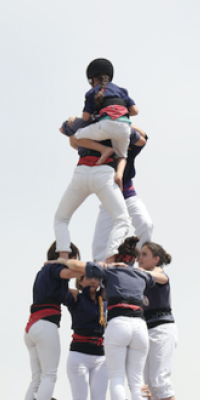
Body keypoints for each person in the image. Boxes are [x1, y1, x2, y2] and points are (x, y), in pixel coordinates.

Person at [56, 236, 166, 400]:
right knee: (137, 378)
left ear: (117, 257)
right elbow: (162, 277)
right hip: (140, 325)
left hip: (119, 322)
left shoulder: (110, 270)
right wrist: (145, 268)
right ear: (133, 258)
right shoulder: (140, 274)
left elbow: (77, 264)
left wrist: (62, 261)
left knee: (117, 377)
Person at [53, 117, 133, 262]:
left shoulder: (80, 122)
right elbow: (141, 138)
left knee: (61, 218)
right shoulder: (116, 125)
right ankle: (110, 259)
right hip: (104, 172)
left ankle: (63, 256)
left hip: (81, 172)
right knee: (122, 220)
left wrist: (72, 124)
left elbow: (63, 130)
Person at [24, 243, 82, 400]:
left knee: (37, 378)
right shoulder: (54, 268)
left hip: (32, 326)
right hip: (45, 325)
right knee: (49, 375)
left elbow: (64, 294)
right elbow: (70, 273)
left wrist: (73, 291)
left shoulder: (44, 273)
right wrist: (93, 269)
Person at [73, 58, 138, 188]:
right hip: (125, 127)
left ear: (92, 79)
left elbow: (85, 118)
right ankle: (119, 174)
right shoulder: (121, 90)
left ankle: (105, 150)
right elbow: (135, 111)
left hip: (106, 125)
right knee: (121, 156)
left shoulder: (92, 92)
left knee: (77, 137)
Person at [90, 127, 152, 262]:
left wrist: (123, 121)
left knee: (146, 224)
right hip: (110, 200)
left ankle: (144, 265)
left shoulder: (129, 143)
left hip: (129, 194)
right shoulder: (101, 145)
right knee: (99, 249)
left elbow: (144, 137)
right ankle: (103, 280)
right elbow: (75, 138)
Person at [139, 242, 178, 400]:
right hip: (146, 330)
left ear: (156, 259)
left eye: (144, 254)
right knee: (148, 382)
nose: (140, 258)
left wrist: (134, 272)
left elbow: (159, 277)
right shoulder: (141, 279)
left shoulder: (160, 275)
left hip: (162, 329)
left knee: (159, 378)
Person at [64, 275, 107, 400]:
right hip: (79, 355)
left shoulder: (104, 300)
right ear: (80, 281)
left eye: (96, 278)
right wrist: (70, 289)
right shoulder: (76, 298)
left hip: (101, 357)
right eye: (88, 277)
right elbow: (57, 289)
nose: (93, 281)